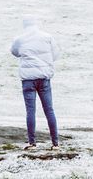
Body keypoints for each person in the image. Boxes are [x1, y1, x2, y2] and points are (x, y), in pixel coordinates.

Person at [10, 18, 60, 150]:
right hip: (44, 77)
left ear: (24, 25)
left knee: (30, 111)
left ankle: (32, 143)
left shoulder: (19, 39)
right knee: (49, 110)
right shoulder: (47, 37)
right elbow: (55, 55)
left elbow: (14, 52)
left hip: (28, 79)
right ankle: (55, 143)